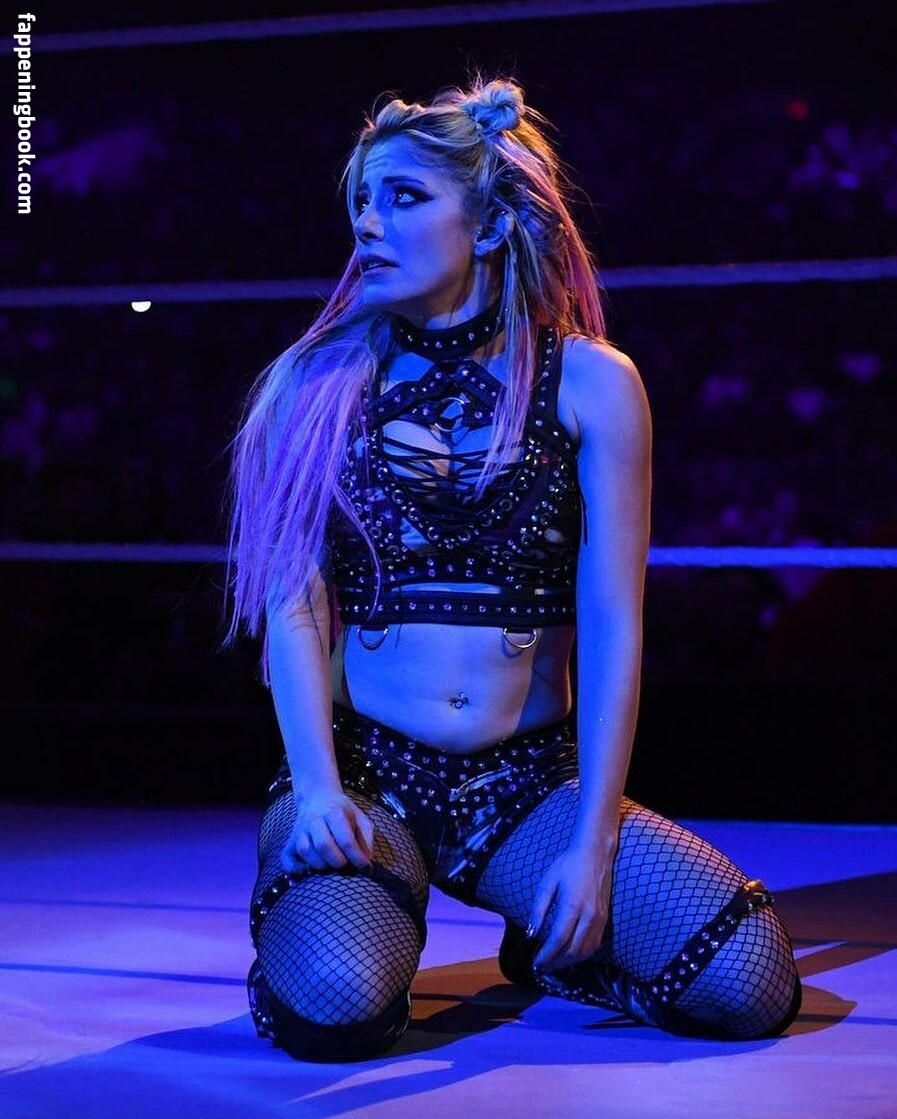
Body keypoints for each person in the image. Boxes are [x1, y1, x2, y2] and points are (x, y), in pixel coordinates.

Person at [222, 77, 801, 1062]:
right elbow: (294, 606)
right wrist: (317, 789)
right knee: (334, 1002)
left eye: (404, 197)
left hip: (527, 783)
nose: (368, 222)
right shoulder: (314, 383)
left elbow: (613, 620)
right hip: (366, 774)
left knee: (748, 982)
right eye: (361, 199)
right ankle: (347, 922)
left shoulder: (593, 382)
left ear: (489, 224)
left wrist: (594, 837)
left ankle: (548, 950)